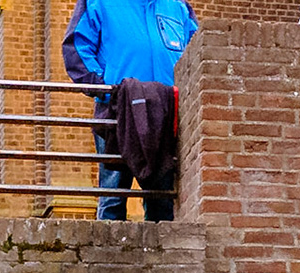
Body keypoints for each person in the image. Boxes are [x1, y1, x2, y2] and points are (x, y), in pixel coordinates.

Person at [63, 0, 198, 221]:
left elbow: (196, 51)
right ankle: (105, 254)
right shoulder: (98, 2)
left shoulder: (178, 7)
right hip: (118, 113)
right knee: (113, 197)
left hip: (167, 116)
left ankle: (163, 253)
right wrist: (107, 89)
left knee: (163, 203)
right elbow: (77, 48)